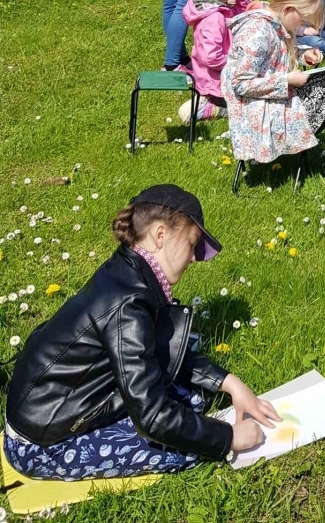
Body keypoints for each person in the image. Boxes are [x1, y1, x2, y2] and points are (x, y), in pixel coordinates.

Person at [5, 185, 279, 480]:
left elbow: (161, 350)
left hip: (63, 410)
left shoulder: (129, 274)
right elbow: (153, 418)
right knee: (185, 446)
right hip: (43, 444)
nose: (193, 259)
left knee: (193, 401)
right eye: (191, 244)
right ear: (160, 235)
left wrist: (230, 383)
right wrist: (228, 438)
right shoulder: (129, 304)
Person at [222, 0, 325, 191]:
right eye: (303, 20)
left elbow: (276, 57)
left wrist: (303, 55)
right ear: (289, 8)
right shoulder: (257, 32)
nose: (303, 26)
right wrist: (287, 80)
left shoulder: (277, 24)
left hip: (276, 97)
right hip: (261, 111)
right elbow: (240, 84)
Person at [179, 0, 251, 122]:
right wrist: (236, 62)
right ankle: (209, 107)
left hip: (215, 79)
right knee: (250, 106)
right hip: (215, 83)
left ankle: (210, 104)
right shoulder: (215, 18)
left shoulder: (217, 9)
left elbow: (243, 11)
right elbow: (212, 57)